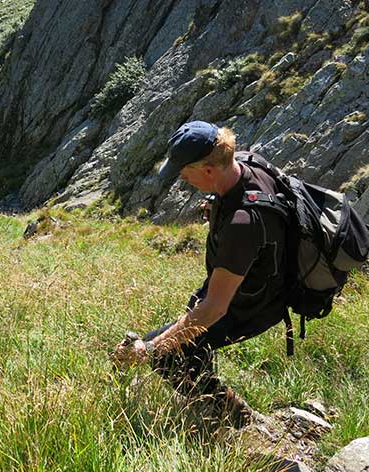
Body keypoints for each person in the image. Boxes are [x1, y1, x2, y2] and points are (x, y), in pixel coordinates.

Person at [112, 121, 288, 425]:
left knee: (166, 355)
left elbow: (214, 308)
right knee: (184, 343)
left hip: (252, 304)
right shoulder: (240, 165)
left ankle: (235, 418)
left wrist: (150, 348)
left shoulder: (242, 224)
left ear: (208, 170)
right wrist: (216, 203)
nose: (182, 180)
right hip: (255, 281)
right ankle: (219, 401)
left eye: (185, 174)